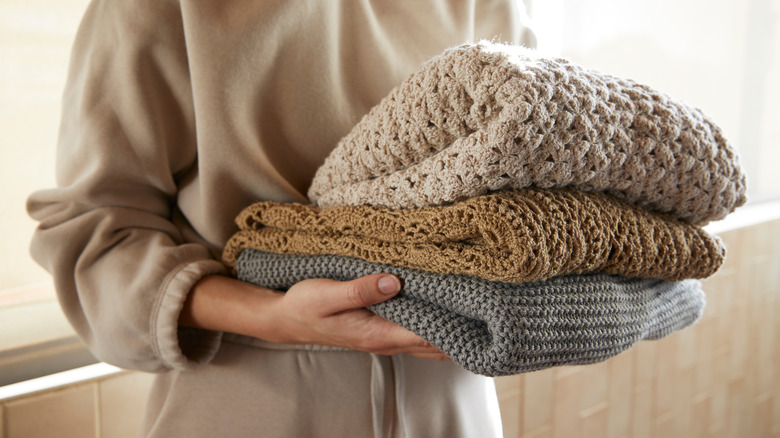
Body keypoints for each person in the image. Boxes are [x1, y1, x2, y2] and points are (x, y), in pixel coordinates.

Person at [28, 1, 536, 436]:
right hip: (256, 402)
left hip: (453, 400)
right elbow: (95, 230)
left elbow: (540, 164)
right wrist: (271, 317)